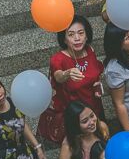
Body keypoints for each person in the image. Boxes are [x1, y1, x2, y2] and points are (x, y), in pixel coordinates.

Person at [40, 15, 105, 143]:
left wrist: (98, 84)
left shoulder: (90, 51)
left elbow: (95, 72)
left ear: (87, 35)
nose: (77, 38)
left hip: (95, 110)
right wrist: (68, 73)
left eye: (81, 33)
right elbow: (58, 76)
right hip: (76, 117)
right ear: (64, 39)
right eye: (71, 34)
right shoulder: (58, 59)